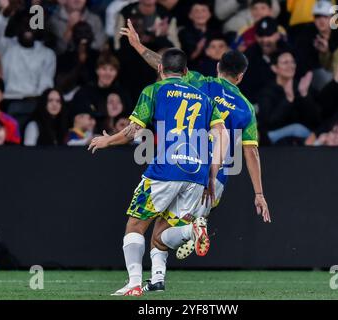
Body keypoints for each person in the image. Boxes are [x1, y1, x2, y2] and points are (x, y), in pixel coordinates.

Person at [121, 20, 270, 292]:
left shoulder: (201, 83)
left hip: (187, 164)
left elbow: (167, 67)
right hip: (216, 178)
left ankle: (184, 240)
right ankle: (158, 278)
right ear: (241, 76)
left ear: (218, 67)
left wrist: (138, 46)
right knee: (164, 231)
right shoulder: (247, 108)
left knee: (155, 227)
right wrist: (258, 194)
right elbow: (251, 151)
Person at [87, 48, 228, 296]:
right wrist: (212, 173)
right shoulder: (204, 99)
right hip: (196, 173)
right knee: (162, 234)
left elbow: (133, 132)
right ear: (185, 72)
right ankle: (189, 232)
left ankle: (133, 283)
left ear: (160, 69)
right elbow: (222, 135)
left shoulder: (154, 91)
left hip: (165, 169)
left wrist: (107, 141)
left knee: (135, 226)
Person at [0, 2, 56, 129]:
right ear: (17, 26)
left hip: (36, 103)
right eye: (24, 24)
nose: (28, 28)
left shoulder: (47, 53)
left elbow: (46, 85)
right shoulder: (6, 47)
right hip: (10, 102)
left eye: (31, 25)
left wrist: (37, 6)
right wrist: (7, 11)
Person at [257, 49, 321, 145]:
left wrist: (304, 95)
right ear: (274, 68)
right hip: (273, 140)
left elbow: (316, 120)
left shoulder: (301, 86)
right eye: (285, 63)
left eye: (292, 62)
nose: (290, 66)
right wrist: (288, 100)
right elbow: (268, 122)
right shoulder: (267, 91)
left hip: (302, 140)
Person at [240, 16, 289, 103]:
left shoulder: (288, 51)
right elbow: (244, 86)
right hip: (258, 102)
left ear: (277, 35)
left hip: (286, 99)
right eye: (261, 36)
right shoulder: (249, 55)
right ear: (256, 37)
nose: (265, 40)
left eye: (269, 35)